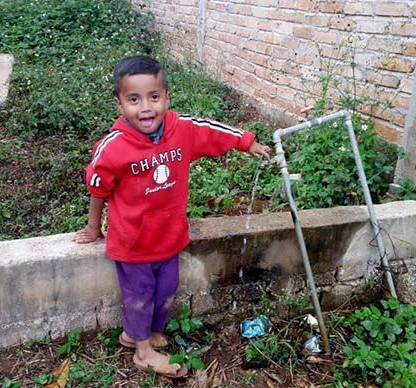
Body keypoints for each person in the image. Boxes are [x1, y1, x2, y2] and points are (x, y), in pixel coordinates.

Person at [73, 55, 270, 378]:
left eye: (154, 97)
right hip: (133, 244)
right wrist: (94, 227)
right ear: (119, 103)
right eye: (134, 99)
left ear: (167, 97)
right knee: (140, 296)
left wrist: (245, 142)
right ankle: (142, 352)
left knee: (165, 291)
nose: (146, 107)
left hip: (169, 238)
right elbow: (99, 189)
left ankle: (137, 335)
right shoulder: (114, 147)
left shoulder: (183, 130)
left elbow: (212, 131)